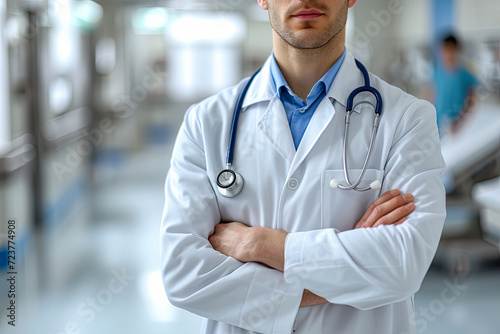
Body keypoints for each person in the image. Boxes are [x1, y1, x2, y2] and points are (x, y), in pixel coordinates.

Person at [160, 1, 446, 333]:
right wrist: (346, 270)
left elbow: (402, 265)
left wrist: (261, 245)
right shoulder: (206, 123)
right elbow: (184, 274)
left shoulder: (408, 120)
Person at [429, 33, 478, 135]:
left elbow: (472, 101)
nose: (447, 54)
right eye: (444, 50)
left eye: (451, 50)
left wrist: (461, 119)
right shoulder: (437, 74)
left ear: (457, 50)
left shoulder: (465, 76)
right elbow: (430, 96)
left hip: (458, 125)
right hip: (438, 122)